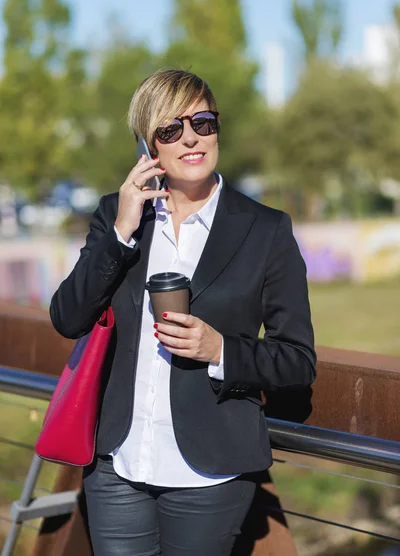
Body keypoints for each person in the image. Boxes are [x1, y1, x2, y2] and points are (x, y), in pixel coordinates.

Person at [50, 69, 316, 556]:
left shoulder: (266, 230)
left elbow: (298, 359)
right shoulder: (117, 214)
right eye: (171, 129)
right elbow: (68, 318)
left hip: (209, 474)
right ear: (148, 145)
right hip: (118, 466)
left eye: (203, 122)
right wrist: (120, 234)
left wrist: (220, 350)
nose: (191, 137)